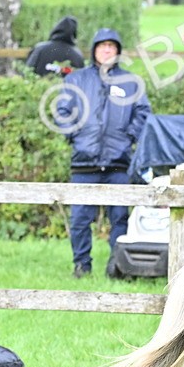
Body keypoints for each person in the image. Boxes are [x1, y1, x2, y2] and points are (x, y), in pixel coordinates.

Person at [54, 28, 151, 278]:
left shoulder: (131, 83)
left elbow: (143, 113)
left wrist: (128, 137)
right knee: (79, 221)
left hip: (118, 164)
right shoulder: (76, 80)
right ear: (94, 49)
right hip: (84, 164)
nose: (107, 50)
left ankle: (117, 267)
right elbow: (62, 111)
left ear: (117, 51)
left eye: (112, 46)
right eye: (102, 45)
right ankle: (81, 265)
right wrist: (75, 135)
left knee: (119, 219)